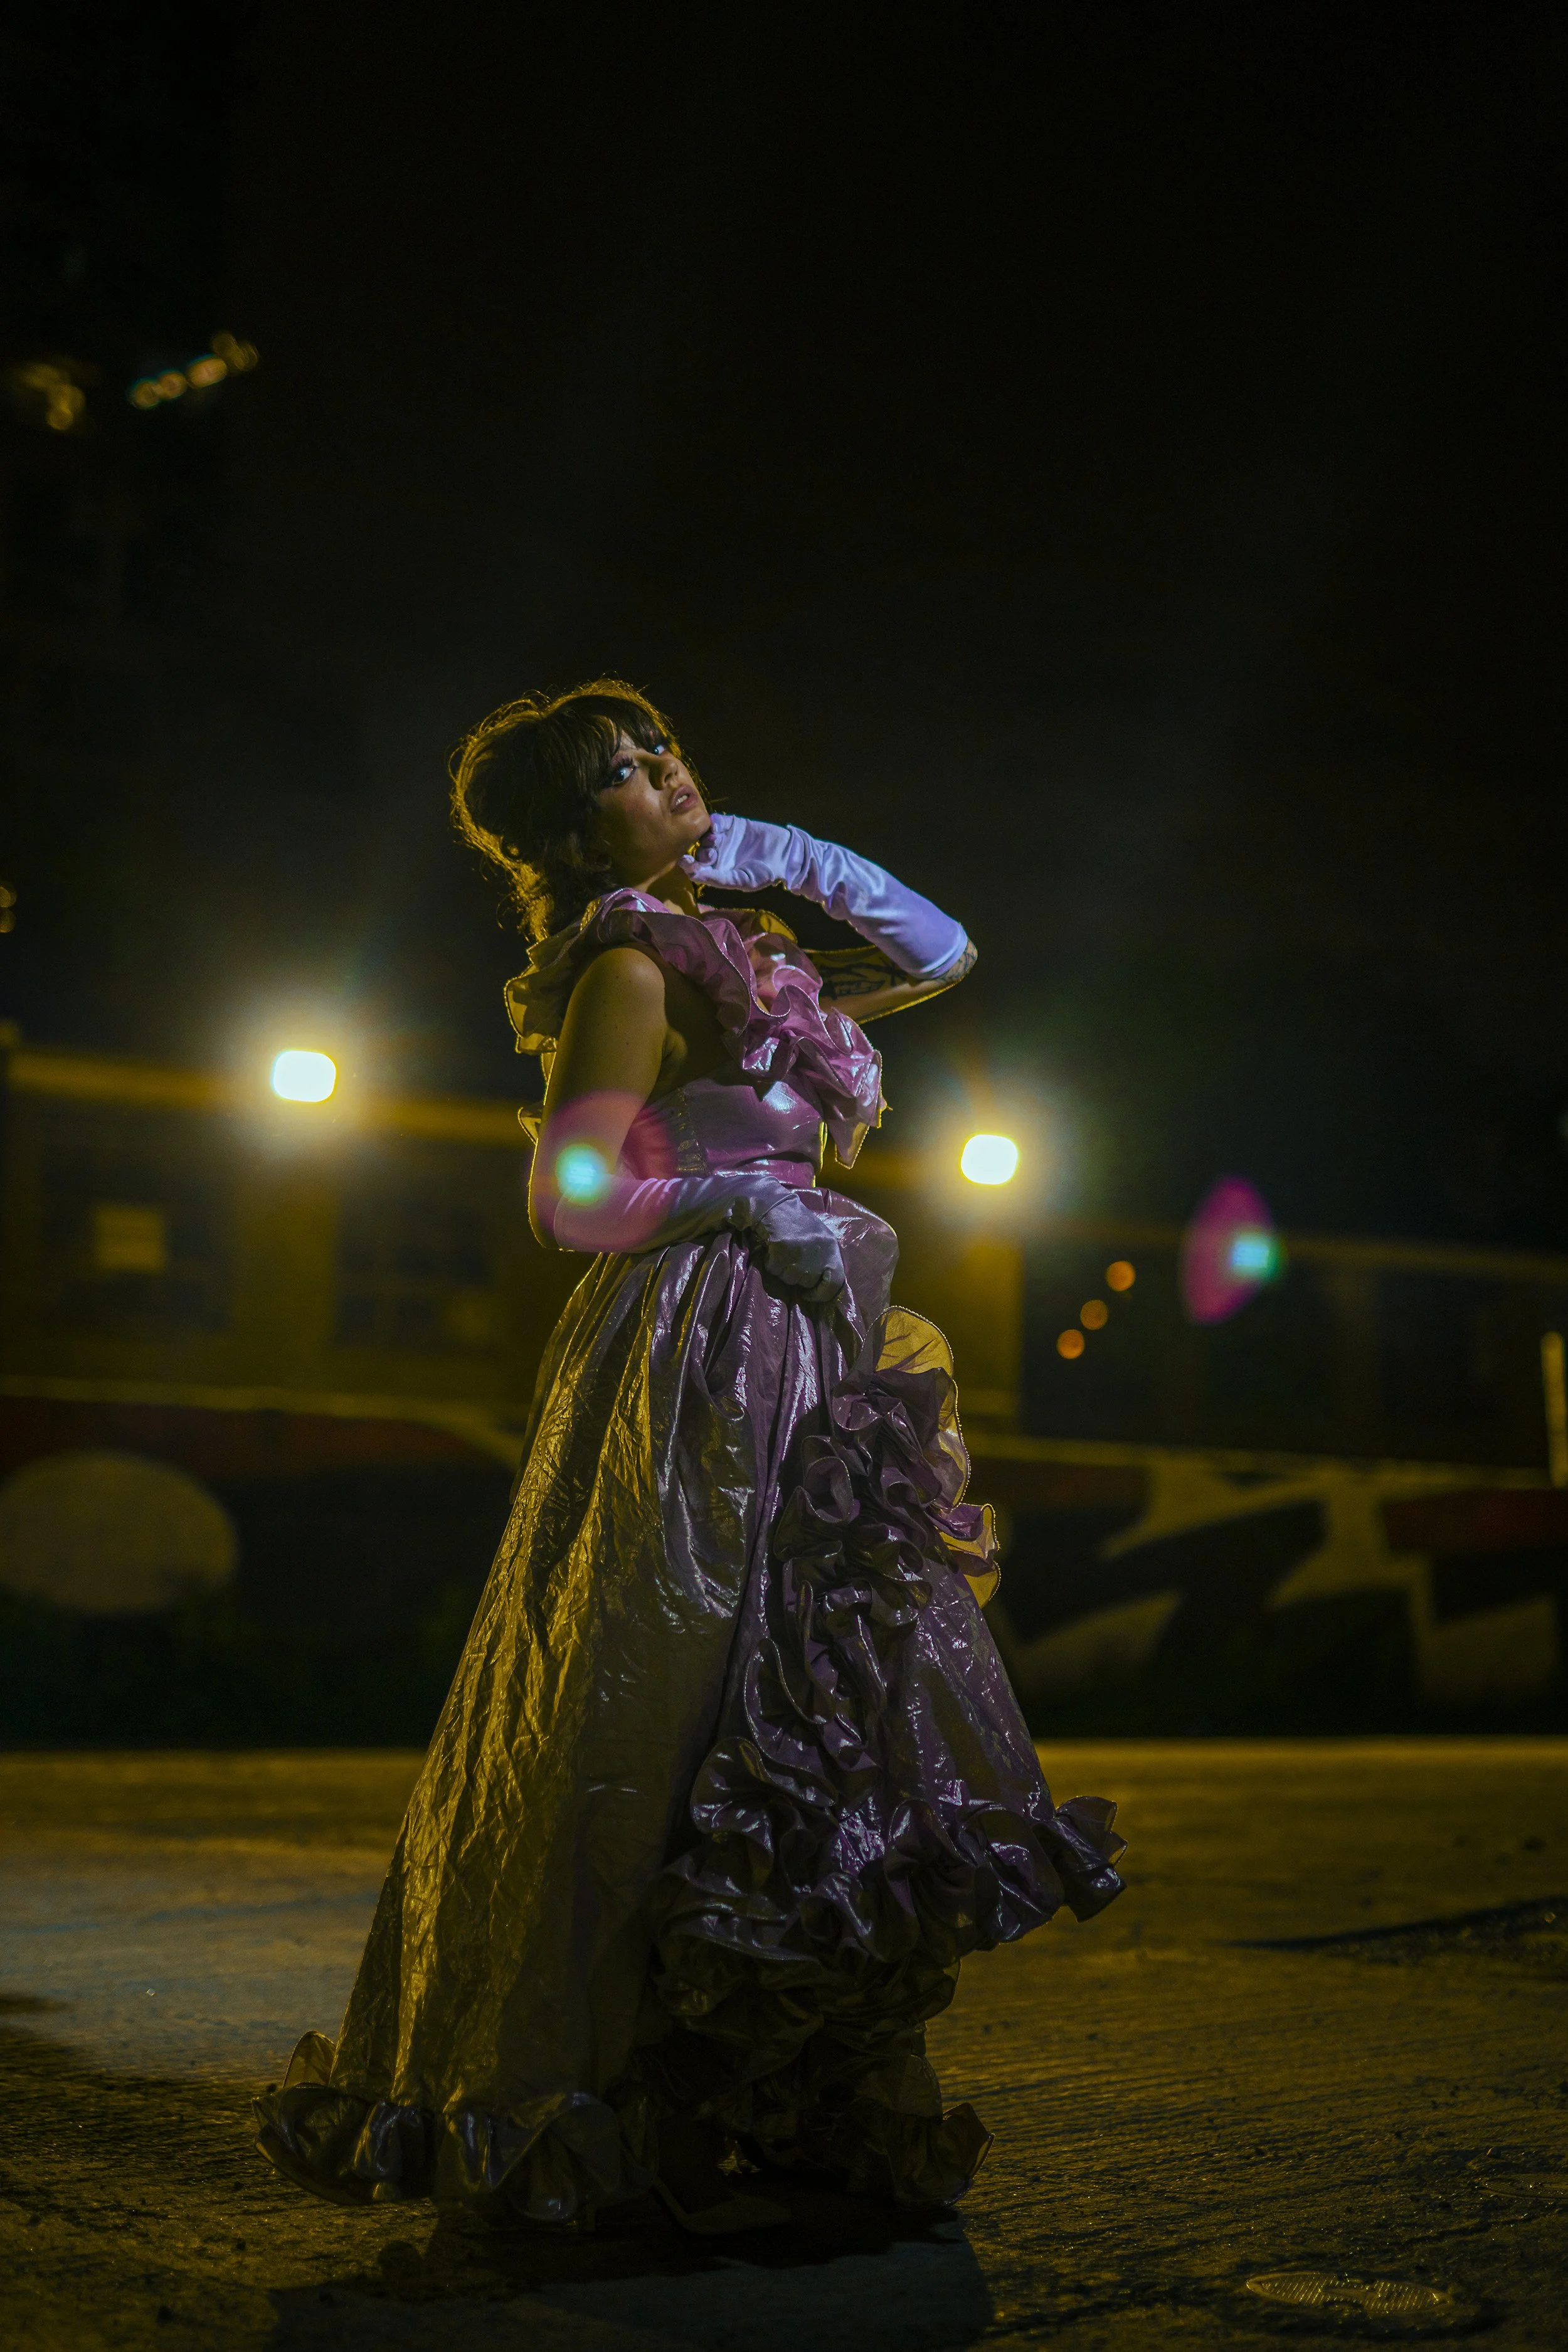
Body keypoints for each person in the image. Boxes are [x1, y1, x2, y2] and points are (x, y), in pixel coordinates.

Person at [254, 679, 1124, 2235]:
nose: (668, 771)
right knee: (664, 1690)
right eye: (624, 772)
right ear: (562, 833)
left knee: (806, 1695)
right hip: (702, 1336)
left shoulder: (748, 943)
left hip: (803, 1327)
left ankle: (778, 2087)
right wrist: (736, 1204)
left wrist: (777, 848)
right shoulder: (634, 961)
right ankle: (595, 2111)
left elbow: (939, 952)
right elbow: (570, 1196)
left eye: (662, 749)